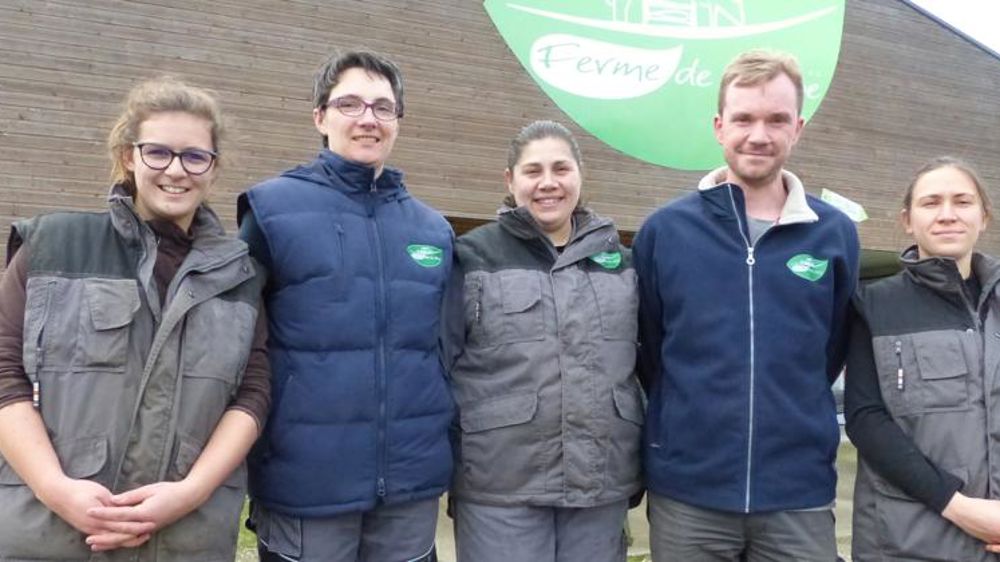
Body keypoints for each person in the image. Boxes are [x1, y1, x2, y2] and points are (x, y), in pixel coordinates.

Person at [0, 76, 269, 561]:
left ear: (212, 168)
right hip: (52, 536)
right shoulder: (52, 247)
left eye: (194, 156)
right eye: (157, 152)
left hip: (184, 539)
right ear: (129, 157)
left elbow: (253, 392)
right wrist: (54, 488)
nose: (176, 170)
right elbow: (4, 373)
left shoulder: (241, 274)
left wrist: (190, 493)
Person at [633, 49, 860, 561]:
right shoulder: (665, 232)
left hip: (796, 495)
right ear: (719, 126)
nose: (759, 134)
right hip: (689, 494)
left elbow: (831, 350)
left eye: (776, 119)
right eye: (744, 118)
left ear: (797, 128)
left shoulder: (834, 236)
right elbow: (651, 352)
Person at [239, 50, 453, 562]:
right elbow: (240, 344)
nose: (367, 119)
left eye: (383, 107)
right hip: (306, 480)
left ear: (398, 121)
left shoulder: (433, 230)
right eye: (351, 104)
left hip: (410, 483)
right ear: (320, 116)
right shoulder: (271, 211)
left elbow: (447, 350)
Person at [442, 119, 642, 562]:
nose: (547, 183)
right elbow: (439, 362)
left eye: (561, 169)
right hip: (499, 486)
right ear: (510, 181)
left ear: (580, 174)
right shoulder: (471, 257)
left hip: (599, 483)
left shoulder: (624, 265)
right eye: (533, 172)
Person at [846, 157, 1000, 561]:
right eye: (931, 203)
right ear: (907, 221)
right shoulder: (875, 304)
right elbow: (866, 420)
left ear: (984, 217)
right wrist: (960, 507)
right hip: (906, 541)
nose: (947, 214)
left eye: (962, 202)